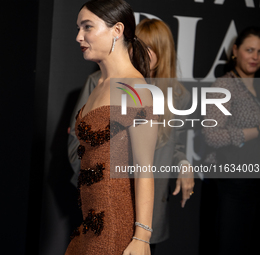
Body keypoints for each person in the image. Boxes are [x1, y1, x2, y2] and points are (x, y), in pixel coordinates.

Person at [67, 17, 195, 254]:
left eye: (151, 47)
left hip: (149, 209)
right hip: (105, 206)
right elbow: (77, 141)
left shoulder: (177, 96)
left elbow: (171, 144)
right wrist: (97, 186)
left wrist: (184, 162)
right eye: (138, 45)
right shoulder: (99, 82)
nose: (142, 52)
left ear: (164, 52)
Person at [64, 1, 159, 254]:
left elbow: (144, 169)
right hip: (89, 224)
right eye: (78, 28)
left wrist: (142, 238)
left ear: (117, 30)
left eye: (87, 27)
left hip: (115, 229)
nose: (78, 37)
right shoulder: (100, 84)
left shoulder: (136, 89)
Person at [201, 26, 260, 255]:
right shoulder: (224, 86)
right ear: (235, 51)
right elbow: (212, 135)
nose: (255, 57)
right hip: (231, 184)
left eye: (259, 52)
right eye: (250, 50)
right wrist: (254, 131)